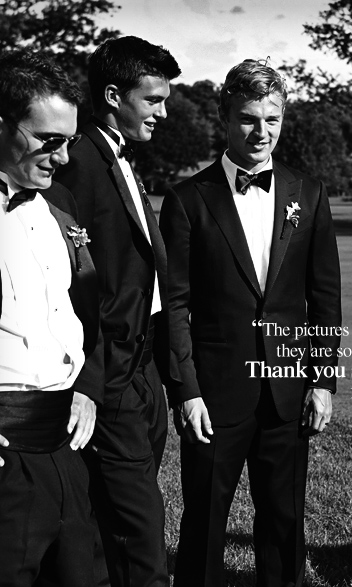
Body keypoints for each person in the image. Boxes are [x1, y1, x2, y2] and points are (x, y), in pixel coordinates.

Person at [159, 59, 342, 587]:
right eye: (248, 119)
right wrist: (186, 391)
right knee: (205, 524)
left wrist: (323, 381)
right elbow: (174, 306)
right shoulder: (187, 200)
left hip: (288, 390)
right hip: (213, 395)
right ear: (224, 118)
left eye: (273, 118)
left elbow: (323, 299)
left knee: (285, 521)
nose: (261, 132)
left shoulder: (309, 194)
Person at [55, 36, 181, 587]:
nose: (163, 111)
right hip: (110, 372)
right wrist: (95, 376)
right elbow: (74, 282)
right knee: (142, 534)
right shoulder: (77, 162)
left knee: (117, 524)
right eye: (153, 99)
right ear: (113, 95)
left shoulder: (124, 158)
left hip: (145, 366)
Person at [0, 50, 103, 587]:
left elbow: (83, 308)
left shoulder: (57, 201)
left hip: (65, 443)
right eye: (49, 140)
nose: (62, 158)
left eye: (71, 141)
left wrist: (85, 384)